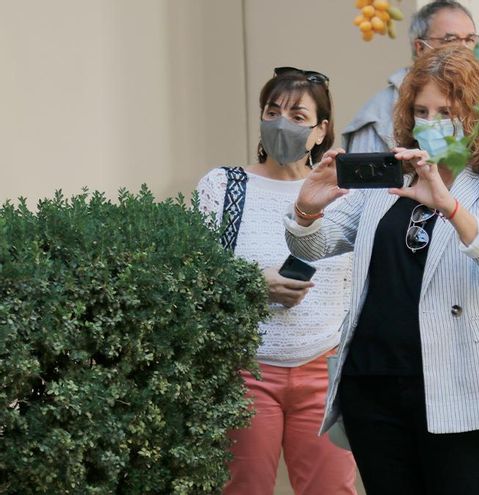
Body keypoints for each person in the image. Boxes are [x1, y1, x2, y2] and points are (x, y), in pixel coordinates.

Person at [284, 46, 479, 494]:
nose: (431, 122)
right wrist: (305, 210)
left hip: (462, 382)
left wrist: (452, 208)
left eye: (445, 110)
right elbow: (318, 244)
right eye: (421, 110)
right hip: (373, 382)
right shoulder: (391, 170)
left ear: (476, 112)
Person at [196, 67, 356, 495]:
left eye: (298, 115)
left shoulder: (344, 195)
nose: (281, 123)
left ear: (321, 131)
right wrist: (252, 282)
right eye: (273, 111)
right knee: (243, 486)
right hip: (246, 370)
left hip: (325, 368)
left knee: (330, 488)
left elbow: (357, 285)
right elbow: (196, 272)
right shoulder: (223, 186)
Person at [343, 0, 479, 349]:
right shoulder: (378, 116)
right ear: (420, 47)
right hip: (397, 314)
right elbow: (353, 218)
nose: (464, 49)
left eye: (470, 40)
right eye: (451, 39)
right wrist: (306, 214)